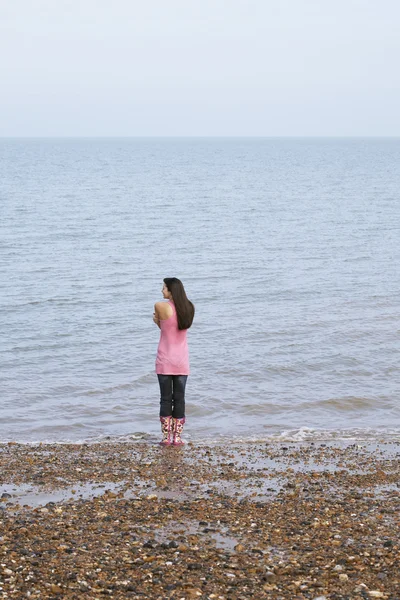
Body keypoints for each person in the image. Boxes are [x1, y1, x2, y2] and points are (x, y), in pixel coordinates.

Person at [153, 278, 195, 446]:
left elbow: (165, 329)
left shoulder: (160, 306)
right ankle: (177, 438)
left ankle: (166, 437)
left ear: (171, 290)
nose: (162, 291)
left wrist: (157, 322)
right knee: (180, 399)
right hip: (182, 360)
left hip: (165, 359)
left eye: (164, 288)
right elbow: (177, 329)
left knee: (165, 399)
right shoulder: (189, 307)